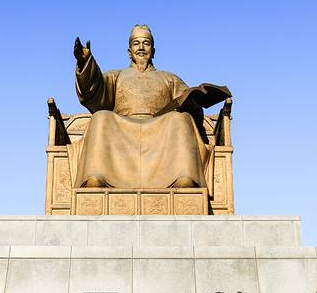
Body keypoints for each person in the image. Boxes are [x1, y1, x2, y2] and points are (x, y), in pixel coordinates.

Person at [67, 25, 212, 189]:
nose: (141, 48)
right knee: (100, 117)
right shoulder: (116, 76)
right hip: (122, 128)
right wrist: (85, 62)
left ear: (153, 51)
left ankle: (182, 176)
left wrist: (193, 106)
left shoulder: (170, 78)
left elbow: (188, 102)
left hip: (161, 129)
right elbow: (95, 93)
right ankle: (97, 176)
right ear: (129, 51)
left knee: (181, 119)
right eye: (136, 43)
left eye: (146, 43)